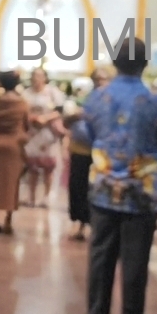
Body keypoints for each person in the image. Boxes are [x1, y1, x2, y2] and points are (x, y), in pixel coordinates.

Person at [82, 38, 157, 314]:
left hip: (103, 186)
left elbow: (89, 135)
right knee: (136, 257)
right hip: (142, 188)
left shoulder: (96, 97)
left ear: (114, 62)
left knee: (101, 253)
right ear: (145, 64)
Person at [0, 71, 29, 234]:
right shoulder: (22, 103)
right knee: (12, 183)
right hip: (14, 146)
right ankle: (8, 220)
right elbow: (26, 125)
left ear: (1, 83)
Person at [65, 69, 109, 240]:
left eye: (103, 79)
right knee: (78, 186)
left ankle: (94, 224)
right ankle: (78, 222)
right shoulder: (84, 99)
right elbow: (67, 120)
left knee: (96, 188)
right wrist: (77, 115)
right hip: (80, 148)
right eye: (97, 79)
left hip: (101, 151)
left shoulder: (112, 100)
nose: (100, 82)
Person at [21, 67, 65, 206]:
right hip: (32, 134)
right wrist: (32, 118)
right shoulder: (26, 93)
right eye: (34, 75)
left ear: (45, 78)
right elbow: (22, 112)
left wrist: (46, 118)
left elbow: (59, 111)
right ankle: (31, 197)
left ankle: (46, 196)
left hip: (48, 132)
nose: (36, 79)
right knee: (32, 167)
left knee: (48, 167)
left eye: (39, 76)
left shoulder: (52, 92)